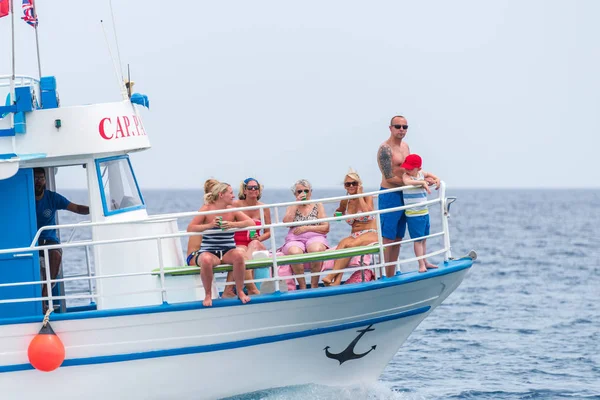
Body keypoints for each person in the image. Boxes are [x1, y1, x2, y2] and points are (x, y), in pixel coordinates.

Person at [186, 179, 256, 306]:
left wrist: (232, 224)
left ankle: (240, 291)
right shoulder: (207, 209)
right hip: (210, 252)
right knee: (206, 260)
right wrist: (209, 225)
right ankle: (208, 295)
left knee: (239, 256)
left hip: (227, 251)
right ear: (221, 195)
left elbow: (250, 222)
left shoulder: (232, 210)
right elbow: (190, 228)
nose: (234, 196)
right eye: (231, 193)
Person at [34, 167, 89, 303]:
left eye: (41, 178)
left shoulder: (52, 198)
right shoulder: (24, 199)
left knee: (56, 254)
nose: (38, 181)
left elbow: (76, 208)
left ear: (45, 181)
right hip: (32, 242)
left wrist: (95, 208)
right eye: (35, 178)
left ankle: (45, 296)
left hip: (49, 241)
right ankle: (41, 301)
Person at [322, 169, 378, 286]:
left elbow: (367, 213)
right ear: (345, 186)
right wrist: (338, 214)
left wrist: (359, 195)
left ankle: (331, 276)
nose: (351, 186)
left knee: (350, 245)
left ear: (359, 184)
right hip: (354, 234)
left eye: (354, 183)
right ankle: (336, 281)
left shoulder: (367, 197)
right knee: (341, 245)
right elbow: (339, 212)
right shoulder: (345, 201)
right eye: (348, 184)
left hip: (370, 232)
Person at [220, 177, 272, 297]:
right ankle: (233, 290)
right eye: (250, 188)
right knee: (239, 252)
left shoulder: (264, 208)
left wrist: (260, 238)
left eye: (256, 187)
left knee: (253, 245)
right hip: (239, 242)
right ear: (244, 190)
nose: (253, 190)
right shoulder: (236, 205)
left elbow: (268, 232)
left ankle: (248, 287)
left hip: (255, 242)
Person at [377, 115, 411, 278]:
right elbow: (389, 176)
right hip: (389, 195)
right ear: (390, 128)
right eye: (398, 126)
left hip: (404, 195)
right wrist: (411, 184)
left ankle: (390, 275)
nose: (401, 130)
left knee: (398, 237)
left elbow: (410, 171)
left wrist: (422, 179)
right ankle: (383, 274)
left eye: (404, 127)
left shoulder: (405, 147)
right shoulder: (385, 149)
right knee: (388, 238)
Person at [281, 179, 329, 289]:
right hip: (295, 238)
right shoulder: (292, 206)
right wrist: (296, 204)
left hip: (315, 236)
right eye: (299, 191)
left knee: (316, 250)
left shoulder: (318, 205)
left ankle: (314, 285)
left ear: (310, 192)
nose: (303, 194)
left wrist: (306, 228)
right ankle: (302, 286)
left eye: (306, 191)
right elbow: (287, 223)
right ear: (295, 194)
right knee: (294, 252)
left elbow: (326, 227)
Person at [400, 154, 440, 273]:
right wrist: (423, 183)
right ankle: (421, 264)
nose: (407, 169)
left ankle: (425, 261)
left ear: (418, 168)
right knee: (417, 240)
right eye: (406, 167)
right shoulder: (406, 176)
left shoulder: (421, 174)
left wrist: (436, 180)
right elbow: (407, 182)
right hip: (413, 214)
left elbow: (431, 175)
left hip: (424, 212)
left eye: (410, 168)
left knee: (424, 239)